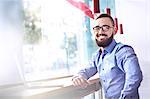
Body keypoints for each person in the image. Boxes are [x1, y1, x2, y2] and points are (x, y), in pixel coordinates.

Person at [72, 14, 143, 99]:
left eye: (105, 27)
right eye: (97, 28)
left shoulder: (123, 51)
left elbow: (134, 76)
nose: (101, 32)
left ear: (114, 30)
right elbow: (87, 70)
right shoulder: (97, 56)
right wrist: (79, 76)